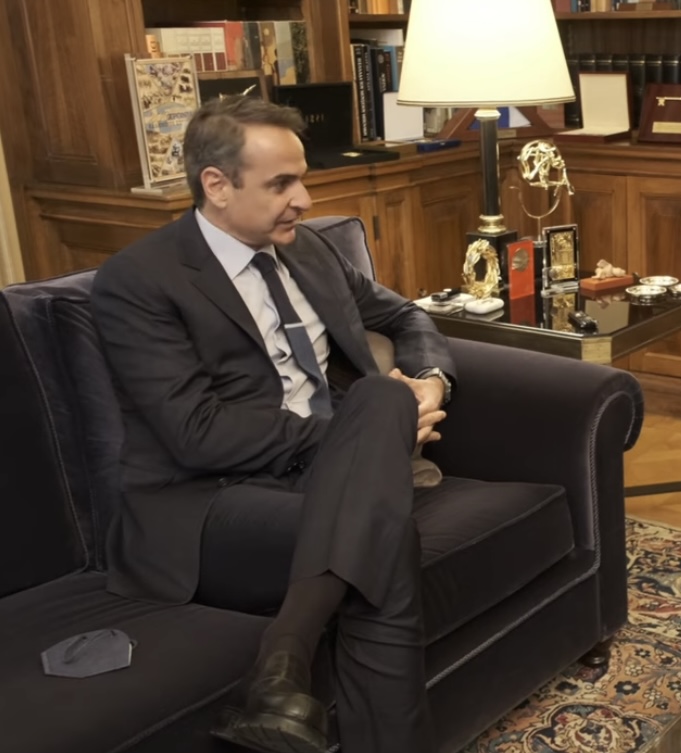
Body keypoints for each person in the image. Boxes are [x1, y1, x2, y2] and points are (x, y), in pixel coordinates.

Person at [91, 96, 453, 753]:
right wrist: (362, 435)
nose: (305, 200)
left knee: (382, 400)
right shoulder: (140, 280)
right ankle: (297, 654)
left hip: (326, 477)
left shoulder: (309, 251)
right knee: (385, 527)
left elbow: (406, 315)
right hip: (208, 502)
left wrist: (429, 381)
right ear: (217, 185)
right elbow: (196, 433)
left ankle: (281, 664)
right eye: (281, 184)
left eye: (302, 180)